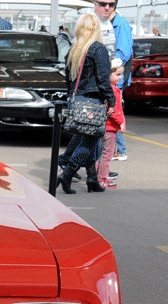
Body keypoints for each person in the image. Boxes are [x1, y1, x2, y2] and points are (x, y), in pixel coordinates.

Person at [56, 14, 114, 194]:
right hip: (93, 100)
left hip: (78, 100)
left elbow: (69, 80)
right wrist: (111, 100)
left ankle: (91, 179)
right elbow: (103, 79)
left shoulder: (74, 50)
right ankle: (67, 174)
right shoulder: (98, 49)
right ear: (96, 29)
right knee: (90, 139)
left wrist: (71, 99)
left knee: (90, 138)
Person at [93, 0, 132, 163]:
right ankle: (115, 150)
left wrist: (108, 68)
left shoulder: (120, 24)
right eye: (103, 4)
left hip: (112, 76)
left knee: (112, 112)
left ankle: (119, 149)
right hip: (105, 76)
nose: (107, 7)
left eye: (110, 4)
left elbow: (123, 52)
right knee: (109, 113)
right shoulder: (102, 22)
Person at [96, 58, 126, 189]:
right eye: (117, 74)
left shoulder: (104, 88)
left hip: (103, 126)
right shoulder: (113, 90)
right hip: (110, 128)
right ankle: (102, 178)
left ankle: (97, 174)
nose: (120, 77)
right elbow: (114, 110)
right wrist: (121, 123)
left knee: (101, 153)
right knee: (107, 154)